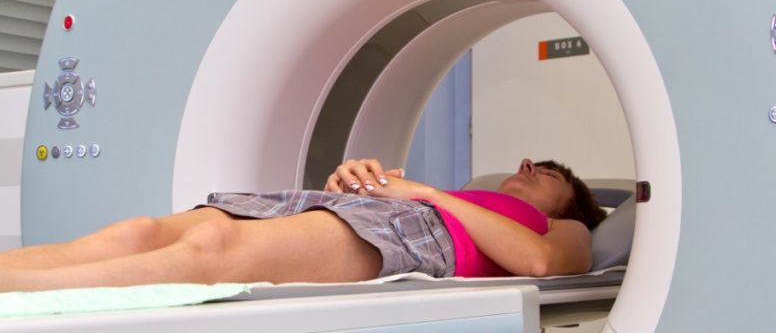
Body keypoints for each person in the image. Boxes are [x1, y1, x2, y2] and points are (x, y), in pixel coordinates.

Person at [0, 158, 607, 292]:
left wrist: (419, 191)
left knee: (212, 246)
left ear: (569, 204)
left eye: (548, 169)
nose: (527, 165)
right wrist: (355, 178)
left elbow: (539, 264)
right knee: (137, 231)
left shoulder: (565, 230)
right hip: (361, 206)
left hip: (420, 229)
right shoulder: (462, 189)